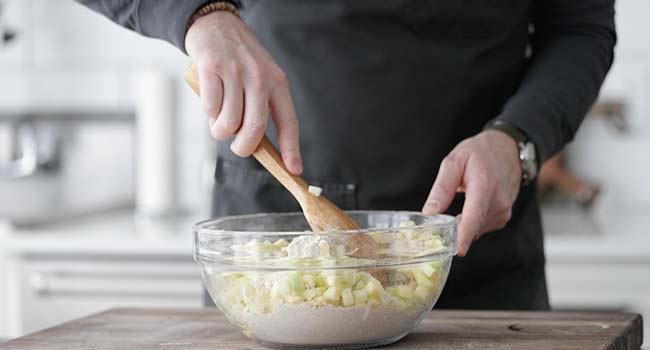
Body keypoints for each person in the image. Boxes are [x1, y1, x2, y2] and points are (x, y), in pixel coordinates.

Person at [78, 0, 615, 310]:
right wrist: (199, 14)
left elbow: (580, 27)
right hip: (274, 273)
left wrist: (516, 139)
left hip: (477, 258)